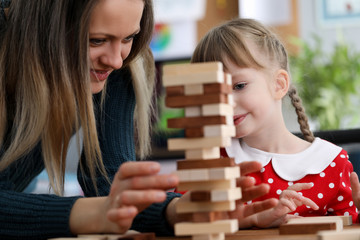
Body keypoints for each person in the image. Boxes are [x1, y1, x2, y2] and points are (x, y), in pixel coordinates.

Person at [0, 1, 275, 239]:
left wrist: (177, 211)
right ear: (44, 27)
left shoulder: (119, 66)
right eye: (96, 40)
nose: (116, 61)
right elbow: (103, 207)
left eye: (129, 37)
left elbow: (110, 182)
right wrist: (93, 213)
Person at [191, 18, 358, 228]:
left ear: (279, 85)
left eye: (239, 86)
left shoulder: (332, 162)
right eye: (212, 93)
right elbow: (182, 219)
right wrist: (245, 220)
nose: (224, 102)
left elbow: (350, 227)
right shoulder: (212, 157)